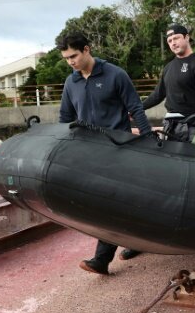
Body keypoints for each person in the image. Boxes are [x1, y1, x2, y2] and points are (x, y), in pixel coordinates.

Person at [57, 31, 152, 276]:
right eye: (67, 58)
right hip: (88, 152)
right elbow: (65, 119)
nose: (71, 62)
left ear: (87, 49)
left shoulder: (115, 75)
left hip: (118, 149)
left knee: (109, 204)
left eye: (74, 56)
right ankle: (136, 241)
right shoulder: (71, 82)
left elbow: (136, 108)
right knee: (119, 202)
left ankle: (102, 259)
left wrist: (149, 140)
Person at [143, 24, 195, 141]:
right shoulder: (168, 67)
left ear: (187, 38)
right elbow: (158, 94)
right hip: (170, 127)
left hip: (193, 128)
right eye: (169, 41)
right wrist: (138, 107)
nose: (173, 43)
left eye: (176, 38)